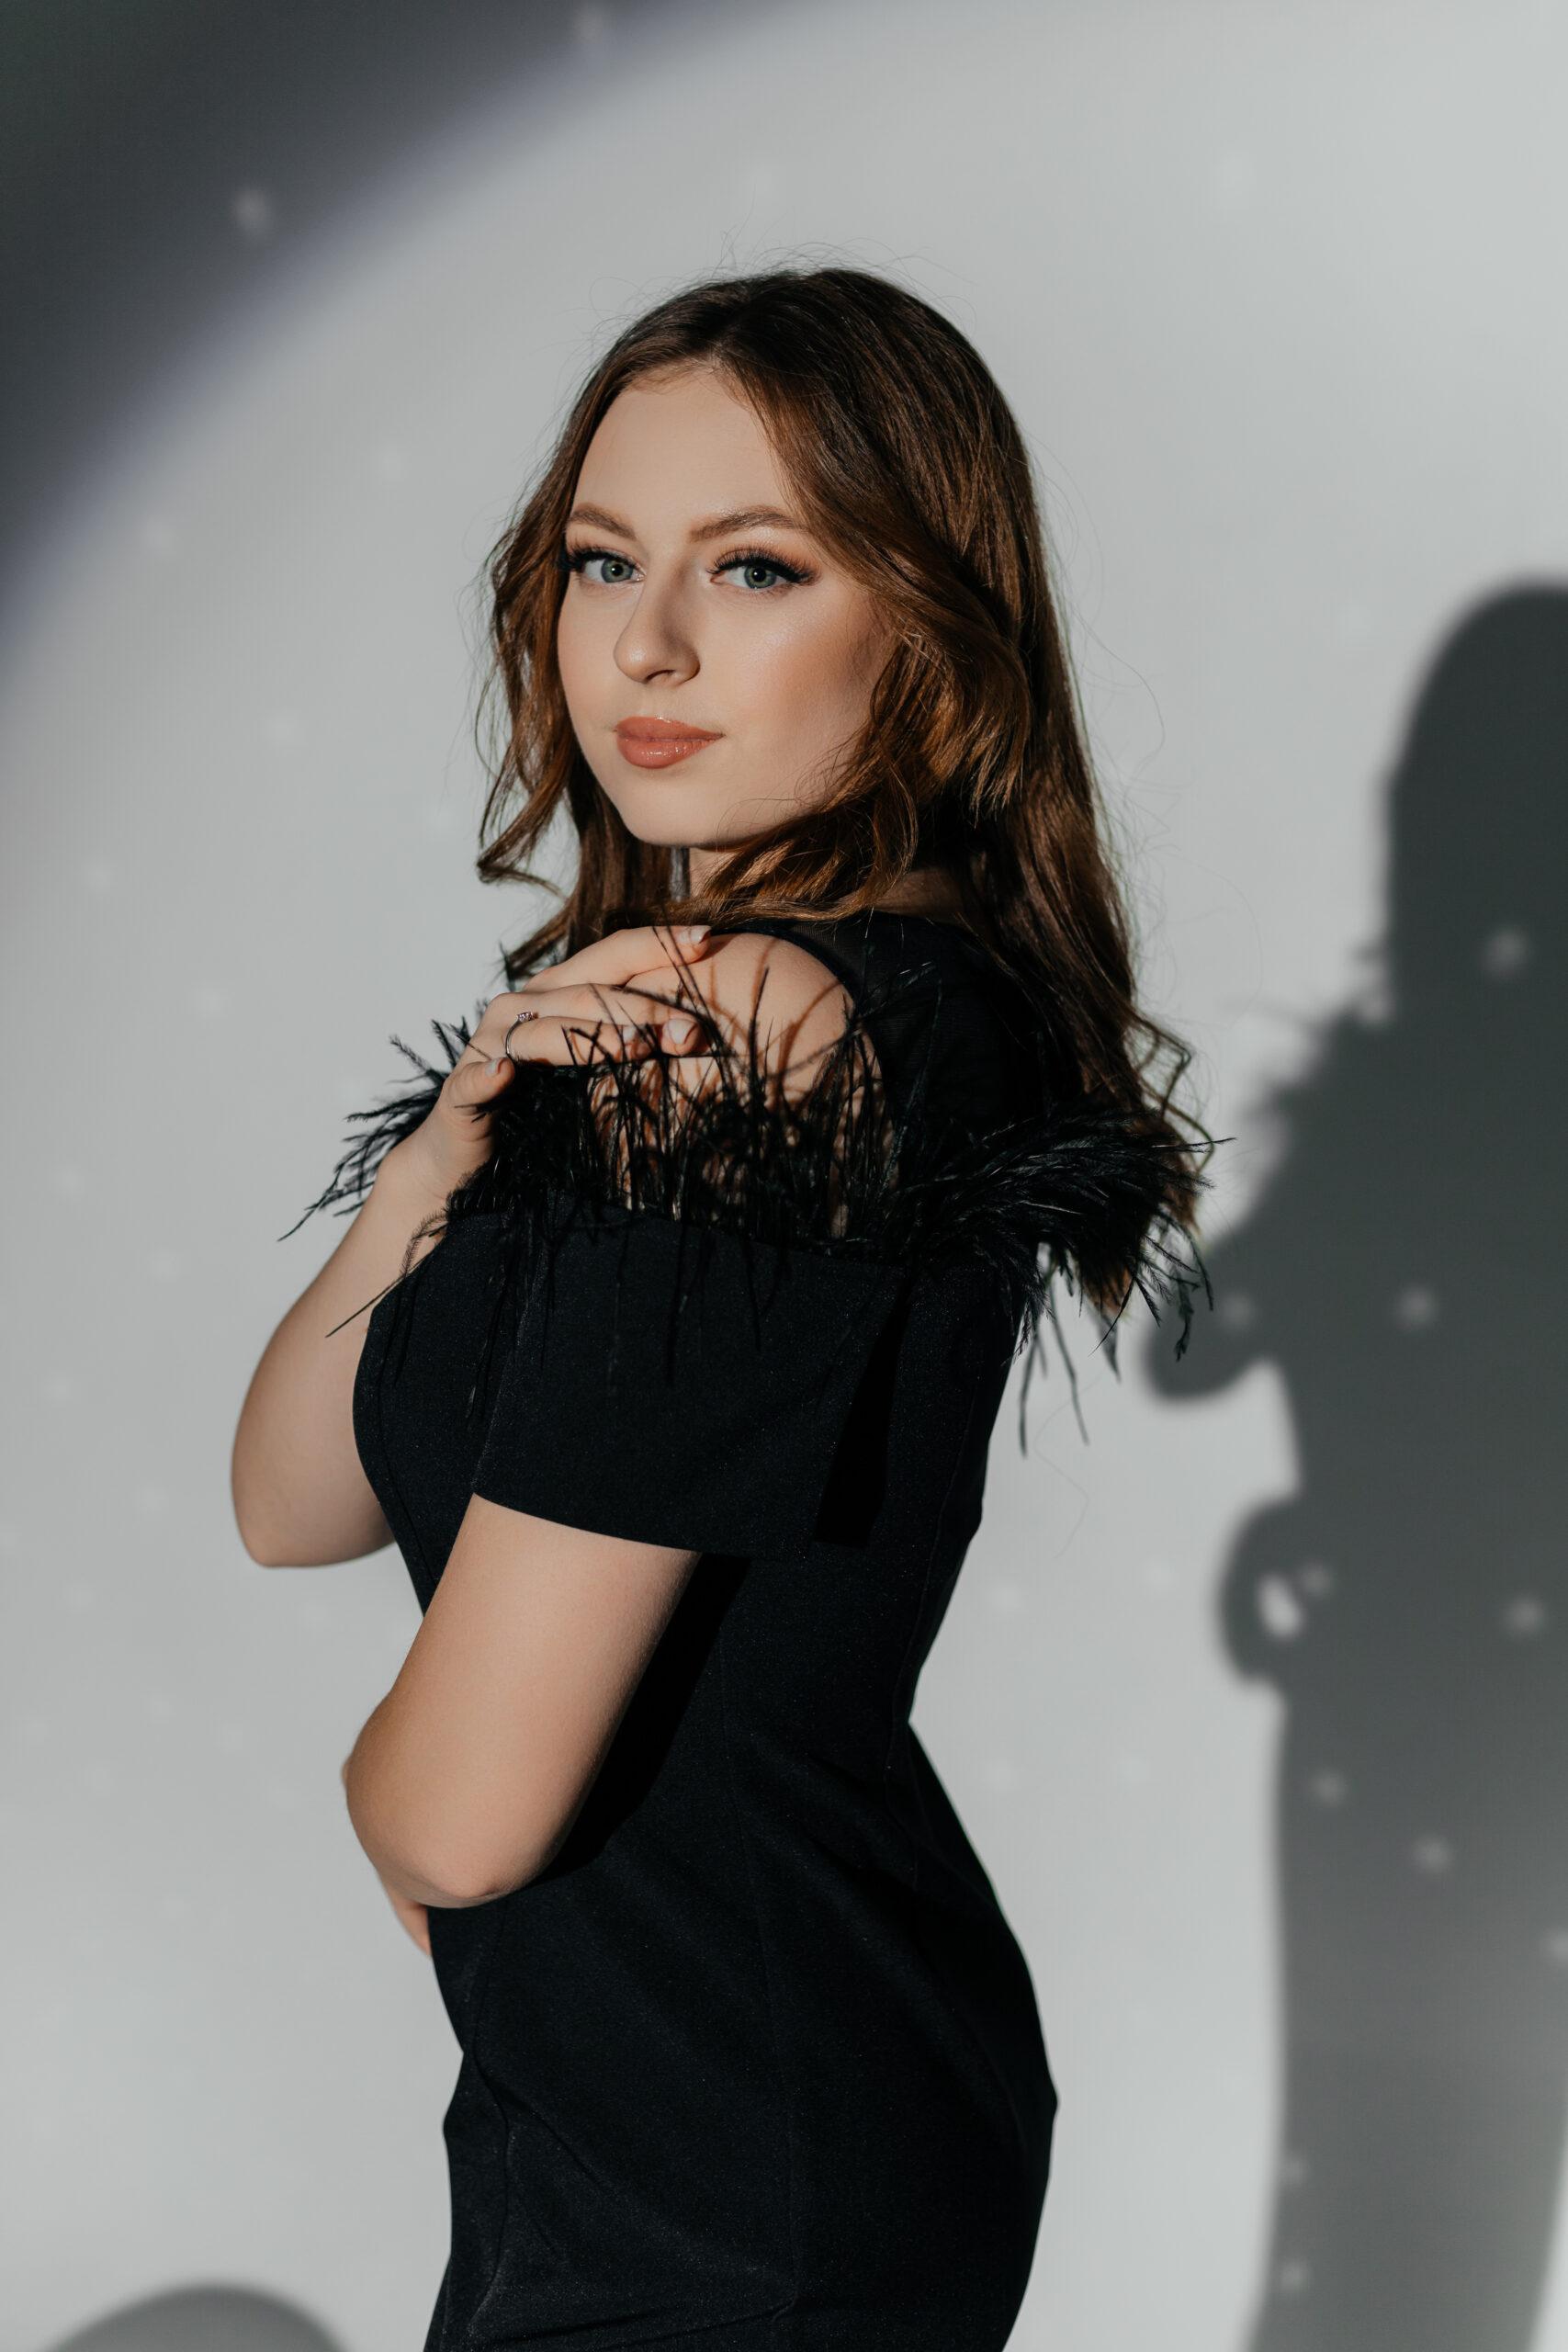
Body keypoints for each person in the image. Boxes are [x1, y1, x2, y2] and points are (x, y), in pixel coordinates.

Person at [233, 266, 1219, 2351]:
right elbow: (292, 1501)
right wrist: (433, 1165)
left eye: (755, 566)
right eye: (603, 562)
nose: (648, 645)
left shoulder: (762, 1031)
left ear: (925, 624)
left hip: (732, 2163)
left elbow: (459, 1813)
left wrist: (374, 1788)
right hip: (656, 2108)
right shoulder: (692, 1023)